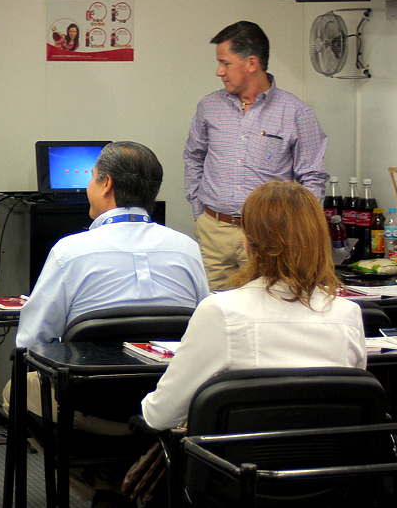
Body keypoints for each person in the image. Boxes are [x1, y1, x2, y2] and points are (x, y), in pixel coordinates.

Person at [140, 180, 366, 431]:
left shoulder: (221, 312)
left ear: (250, 242)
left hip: (236, 466)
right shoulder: (348, 314)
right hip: (326, 465)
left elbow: (160, 416)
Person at [17, 141, 209, 349]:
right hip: (169, 379)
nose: (89, 186)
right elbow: (205, 329)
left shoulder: (69, 253)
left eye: (92, 177)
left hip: (87, 380)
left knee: (20, 381)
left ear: (106, 183)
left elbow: (31, 342)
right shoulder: (188, 250)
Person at [183, 20, 328, 290]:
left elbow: (312, 178)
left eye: (225, 63)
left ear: (251, 63)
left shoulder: (296, 112)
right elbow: (193, 156)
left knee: (269, 308)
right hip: (214, 231)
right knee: (212, 311)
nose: (219, 72)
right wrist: (199, 211)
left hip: (270, 237)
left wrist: (297, 231)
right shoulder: (209, 106)